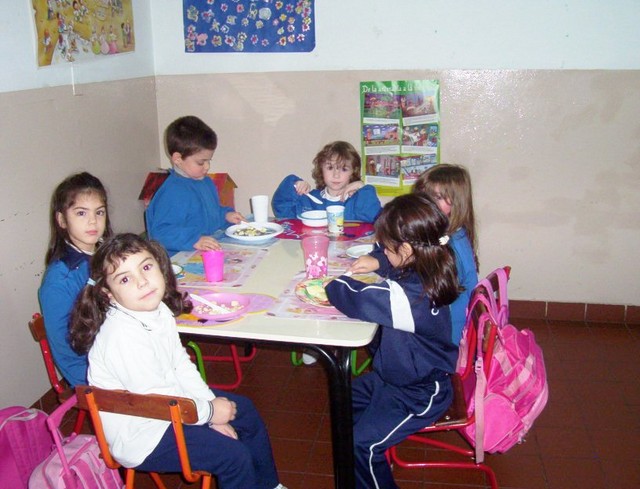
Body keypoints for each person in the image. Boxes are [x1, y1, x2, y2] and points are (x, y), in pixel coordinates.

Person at [69, 233, 286, 489]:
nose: (142, 282)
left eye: (146, 267)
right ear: (109, 295)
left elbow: (179, 365)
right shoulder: (121, 337)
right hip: (144, 436)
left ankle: (269, 485)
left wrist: (210, 408)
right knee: (234, 456)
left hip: (168, 407)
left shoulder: (157, 310)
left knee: (245, 410)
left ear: (160, 267)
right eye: (125, 279)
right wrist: (210, 415)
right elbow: (158, 401)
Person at [325, 194, 460, 489]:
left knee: (363, 445)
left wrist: (332, 283)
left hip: (420, 392)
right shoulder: (427, 265)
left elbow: (354, 298)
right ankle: (358, 475)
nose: (383, 250)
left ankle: (367, 471)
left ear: (408, 248)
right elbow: (394, 263)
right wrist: (378, 259)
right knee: (340, 399)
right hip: (395, 377)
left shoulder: (412, 298)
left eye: (386, 246)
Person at [38, 172, 113, 388]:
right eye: (81, 213)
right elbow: (67, 355)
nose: (93, 221)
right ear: (62, 219)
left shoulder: (104, 255)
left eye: (99, 212)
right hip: (99, 378)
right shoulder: (60, 281)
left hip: (121, 351)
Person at [145, 116, 244, 256]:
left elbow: (211, 214)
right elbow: (161, 232)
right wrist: (194, 239)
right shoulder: (172, 192)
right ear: (178, 159)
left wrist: (226, 215)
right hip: (177, 259)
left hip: (204, 250)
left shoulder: (205, 182)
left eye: (209, 161)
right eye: (201, 162)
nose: (207, 167)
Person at [412, 163, 478, 345]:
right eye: (425, 195)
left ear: (457, 203)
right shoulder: (453, 233)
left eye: (438, 197)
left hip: (446, 332)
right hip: (448, 321)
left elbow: (426, 291)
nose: (428, 202)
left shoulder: (451, 245)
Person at [272, 141, 381, 222]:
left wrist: (362, 188)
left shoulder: (358, 200)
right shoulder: (310, 200)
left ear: (353, 172)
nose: (336, 175)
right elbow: (281, 210)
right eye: (330, 168)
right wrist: (293, 184)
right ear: (321, 169)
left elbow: (376, 219)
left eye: (344, 169)